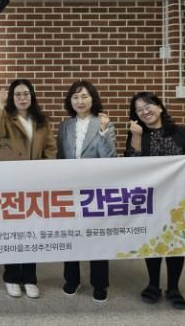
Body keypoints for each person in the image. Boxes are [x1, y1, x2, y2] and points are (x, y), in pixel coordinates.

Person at [125, 91, 185, 310]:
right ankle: (153, 284)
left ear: (159, 107)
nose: (145, 111)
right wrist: (136, 136)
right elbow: (131, 164)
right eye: (139, 110)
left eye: (148, 106)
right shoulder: (137, 133)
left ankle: (174, 288)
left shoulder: (180, 133)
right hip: (150, 199)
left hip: (178, 199)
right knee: (153, 241)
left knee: (176, 242)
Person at [0, 79, 57, 299]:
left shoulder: (41, 120)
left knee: (30, 231)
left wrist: (44, 171)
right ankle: (11, 277)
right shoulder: (6, 116)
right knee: (11, 231)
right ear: (12, 97)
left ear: (32, 96)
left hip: (34, 182)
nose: (22, 98)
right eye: (17, 94)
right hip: (9, 182)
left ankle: (29, 278)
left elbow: (50, 148)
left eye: (26, 93)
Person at [57, 80, 116, 303]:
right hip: (70, 189)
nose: (80, 101)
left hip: (95, 189)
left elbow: (109, 158)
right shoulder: (65, 125)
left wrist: (103, 132)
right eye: (75, 97)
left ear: (93, 99)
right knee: (70, 234)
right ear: (70, 101)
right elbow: (60, 157)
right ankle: (72, 279)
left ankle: (100, 283)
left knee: (97, 235)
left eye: (84, 96)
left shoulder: (104, 123)